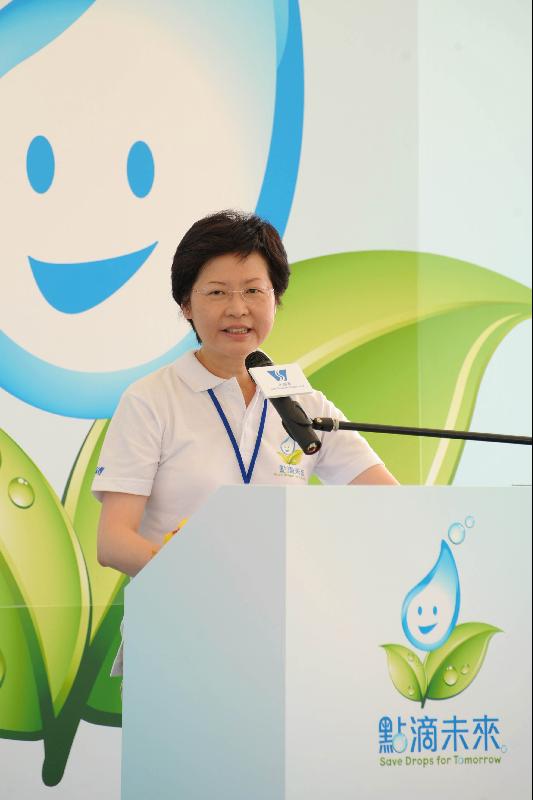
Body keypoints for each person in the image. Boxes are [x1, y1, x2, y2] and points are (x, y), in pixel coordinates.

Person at [92, 209, 397, 675]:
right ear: (186, 305)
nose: (238, 308)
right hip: (182, 640)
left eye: (254, 291)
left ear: (276, 300)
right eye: (217, 293)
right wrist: (210, 585)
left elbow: (386, 501)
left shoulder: (300, 400)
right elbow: (113, 542)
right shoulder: (152, 400)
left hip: (286, 641)